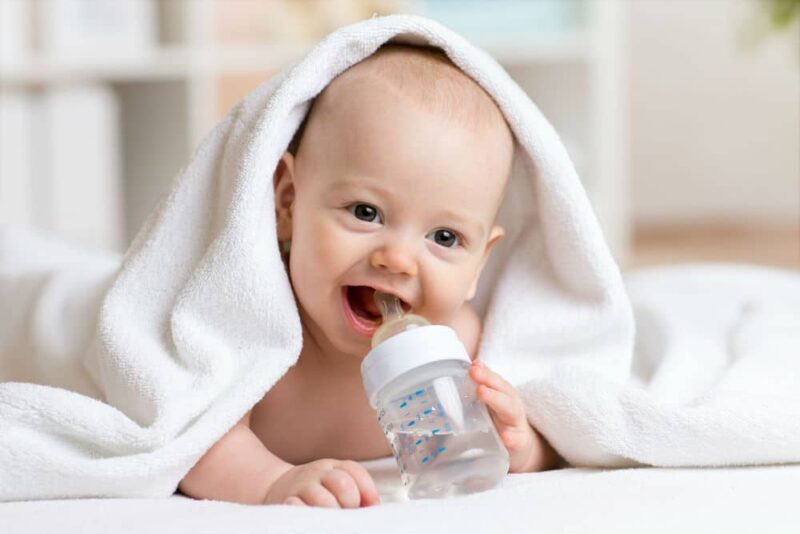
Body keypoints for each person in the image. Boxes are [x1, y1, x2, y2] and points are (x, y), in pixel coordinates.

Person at [178, 43, 561, 508]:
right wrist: (270, 482)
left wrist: (526, 446)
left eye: (444, 237)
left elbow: (534, 429)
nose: (397, 259)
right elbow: (193, 435)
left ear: (480, 262)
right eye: (366, 212)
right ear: (287, 202)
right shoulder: (250, 329)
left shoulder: (463, 352)